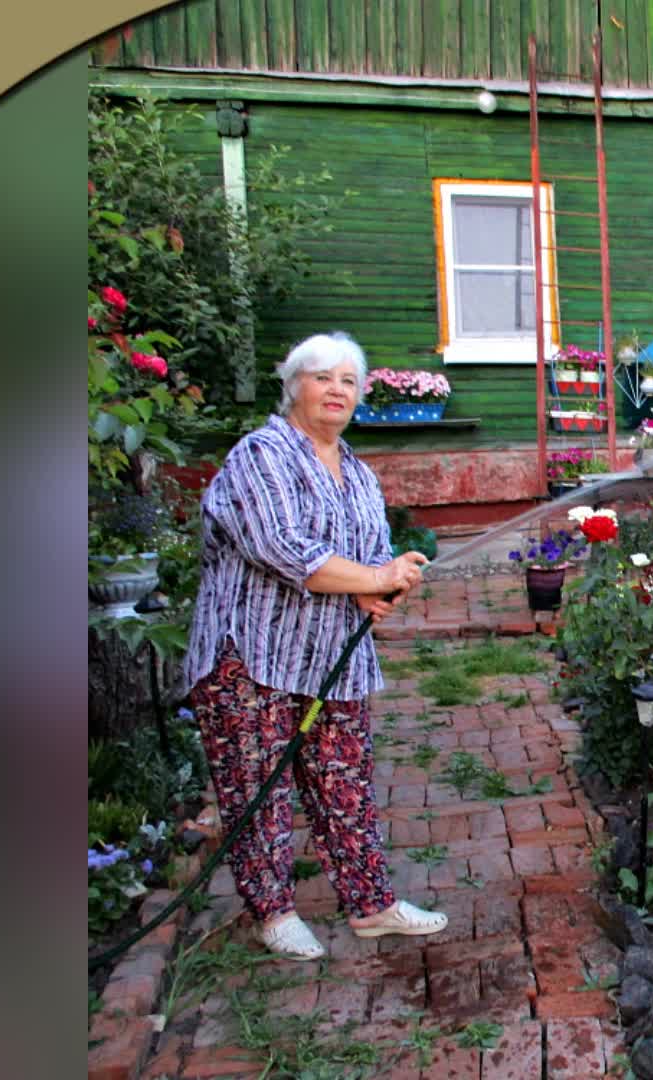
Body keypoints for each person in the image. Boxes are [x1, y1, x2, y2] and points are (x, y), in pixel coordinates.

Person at [182, 332, 446, 960]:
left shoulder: (354, 469)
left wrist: (380, 581)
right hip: (252, 657)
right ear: (293, 385)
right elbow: (281, 548)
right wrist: (373, 579)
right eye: (321, 377)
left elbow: (364, 557)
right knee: (257, 791)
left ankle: (372, 905)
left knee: (345, 785)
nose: (336, 390)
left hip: (332, 661)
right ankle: (272, 913)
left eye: (348, 381)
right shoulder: (261, 455)